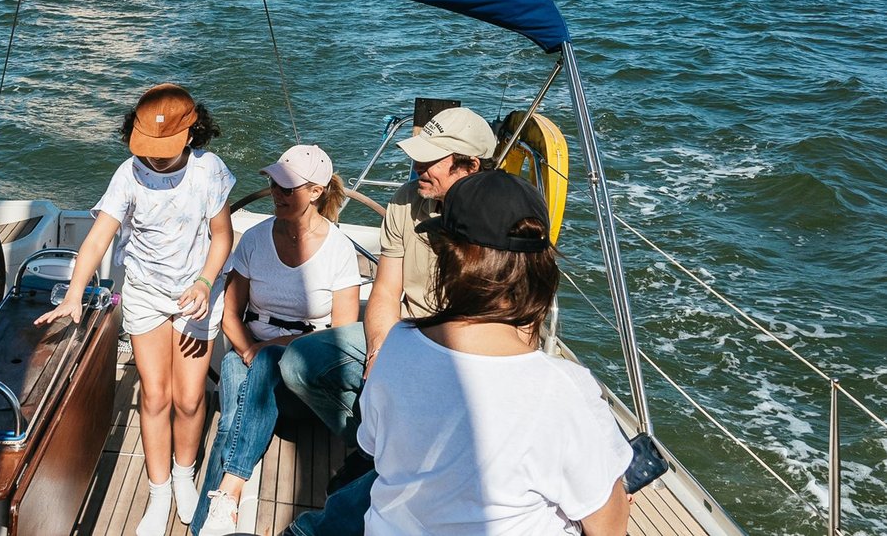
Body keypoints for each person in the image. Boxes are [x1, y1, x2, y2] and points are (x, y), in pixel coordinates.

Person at [354, 169, 631, 535]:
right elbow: (607, 527)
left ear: (447, 260)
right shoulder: (563, 389)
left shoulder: (398, 344)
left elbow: (372, 445)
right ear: (539, 270)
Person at [35, 83, 235, 536]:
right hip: (145, 291)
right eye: (148, 148)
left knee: (189, 398)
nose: (155, 158)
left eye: (165, 149)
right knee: (155, 394)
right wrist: (73, 295)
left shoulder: (210, 172)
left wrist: (205, 282)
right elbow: (98, 238)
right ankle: (159, 488)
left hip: (195, 294)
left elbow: (222, 236)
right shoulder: (128, 174)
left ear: (192, 133)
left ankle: (184, 474)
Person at [279, 107, 496, 465]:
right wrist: (381, 353)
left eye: (429, 161)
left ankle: (384, 457)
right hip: (405, 332)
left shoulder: (500, 218)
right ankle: (376, 446)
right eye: (417, 158)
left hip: (465, 350)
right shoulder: (405, 200)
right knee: (299, 364)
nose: (417, 169)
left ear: (469, 166)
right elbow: (384, 291)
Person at [194, 145, 361, 536]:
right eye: (274, 184)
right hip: (249, 354)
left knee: (240, 402)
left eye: (288, 188)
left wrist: (275, 348)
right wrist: (252, 349)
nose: (276, 194)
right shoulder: (253, 239)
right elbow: (231, 315)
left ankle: (219, 505)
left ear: (317, 191)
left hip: (304, 380)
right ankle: (221, 508)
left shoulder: (339, 251)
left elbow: (341, 339)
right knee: (240, 395)